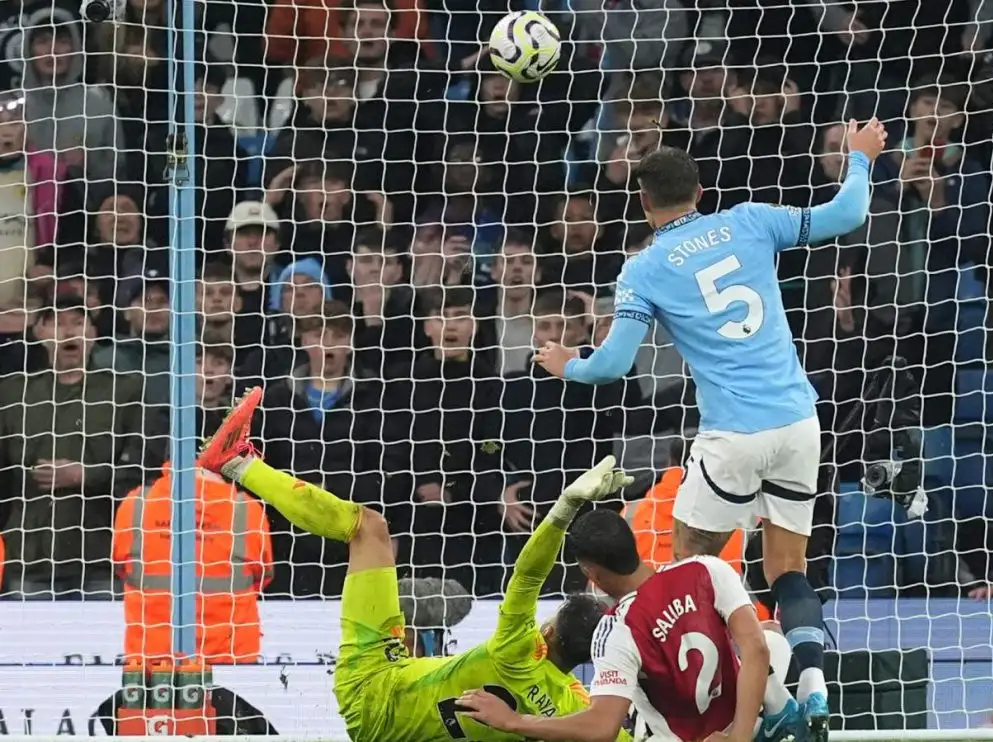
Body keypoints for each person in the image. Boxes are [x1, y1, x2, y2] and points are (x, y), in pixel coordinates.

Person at [532, 118, 888, 740]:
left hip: (733, 436)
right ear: (701, 191)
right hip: (800, 421)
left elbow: (614, 365)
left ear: (644, 202)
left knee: (688, 573)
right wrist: (859, 158)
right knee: (787, 568)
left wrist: (569, 365)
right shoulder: (752, 219)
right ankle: (811, 685)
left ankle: (728, 706)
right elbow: (847, 214)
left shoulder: (643, 269)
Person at [195, 387, 632, 742]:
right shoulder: (575, 711)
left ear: (548, 630)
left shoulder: (518, 649)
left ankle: (236, 461)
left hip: (372, 686)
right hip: (394, 730)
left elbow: (529, 573)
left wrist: (565, 507)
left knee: (368, 528)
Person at [460, 508, 800, 742]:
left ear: (590, 573)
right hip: (745, 726)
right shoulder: (706, 569)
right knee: (770, 635)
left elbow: (602, 726)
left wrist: (513, 721)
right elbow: (755, 649)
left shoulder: (615, 633)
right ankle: (791, 706)